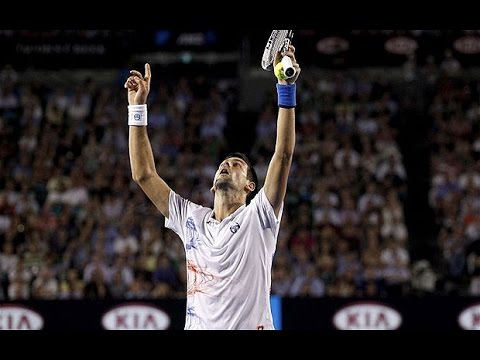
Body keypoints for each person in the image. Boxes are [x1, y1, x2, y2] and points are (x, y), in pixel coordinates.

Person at [124, 45, 301, 330]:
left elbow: (282, 154)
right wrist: (137, 108)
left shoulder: (259, 216)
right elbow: (143, 175)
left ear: (250, 186)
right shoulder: (191, 218)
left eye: (235, 165)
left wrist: (285, 87)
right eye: (224, 163)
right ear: (211, 186)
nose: (226, 165)